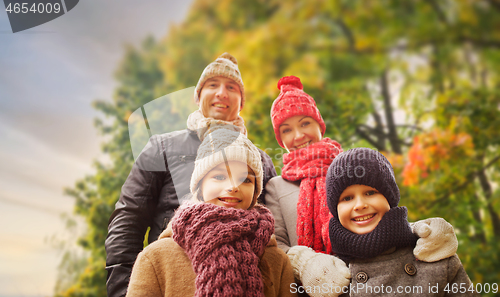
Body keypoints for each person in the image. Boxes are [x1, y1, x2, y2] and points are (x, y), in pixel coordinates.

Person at [265, 76, 459, 296]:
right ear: (280, 139)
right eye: (287, 130)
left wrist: (422, 232)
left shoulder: (350, 166)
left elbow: (382, 213)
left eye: (304, 123)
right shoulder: (276, 186)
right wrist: (306, 263)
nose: (298, 135)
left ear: (319, 124)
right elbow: (276, 244)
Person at [105, 53, 277, 297]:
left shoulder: (261, 160)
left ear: (241, 102)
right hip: (172, 280)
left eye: (231, 87)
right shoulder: (161, 147)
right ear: (198, 96)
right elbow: (128, 219)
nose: (222, 93)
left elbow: (273, 228)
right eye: (212, 85)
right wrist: (126, 290)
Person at [126, 127, 296, 297]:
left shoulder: (277, 260)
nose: (233, 186)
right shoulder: (156, 258)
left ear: (255, 192)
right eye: (220, 177)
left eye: (245, 179)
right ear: (200, 187)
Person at [324, 147, 478, 296]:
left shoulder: (436, 257)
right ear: (335, 209)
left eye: (370, 192)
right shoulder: (326, 274)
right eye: (347, 198)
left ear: (389, 198)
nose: (359, 205)